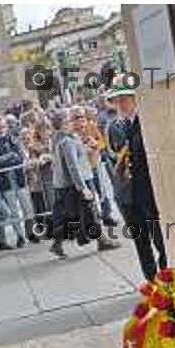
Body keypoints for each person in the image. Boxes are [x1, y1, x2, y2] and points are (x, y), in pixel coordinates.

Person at [107, 84, 167, 280]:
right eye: (116, 100)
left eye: (124, 98)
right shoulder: (113, 127)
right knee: (140, 242)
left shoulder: (147, 121)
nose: (120, 104)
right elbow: (113, 158)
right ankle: (151, 282)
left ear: (134, 98)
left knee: (160, 239)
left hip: (147, 191)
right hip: (125, 194)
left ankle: (167, 280)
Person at [49, 109, 120, 259]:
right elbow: (72, 165)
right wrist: (83, 188)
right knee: (89, 211)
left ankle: (59, 243)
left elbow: (77, 156)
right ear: (63, 123)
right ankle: (102, 240)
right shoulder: (66, 141)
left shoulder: (67, 138)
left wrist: (86, 148)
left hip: (77, 181)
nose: (73, 122)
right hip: (78, 182)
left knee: (77, 214)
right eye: (69, 119)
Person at [0, 116, 35, 247]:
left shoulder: (14, 139)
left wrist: (8, 159)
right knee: (14, 211)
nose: (1, 129)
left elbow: (20, 157)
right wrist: (10, 156)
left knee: (27, 207)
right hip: (5, 182)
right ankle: (20, 236)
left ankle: (30, 233)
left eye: (2, 126)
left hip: (19, 178)